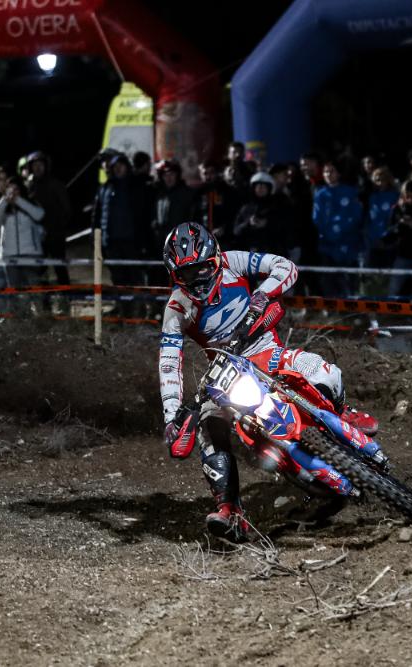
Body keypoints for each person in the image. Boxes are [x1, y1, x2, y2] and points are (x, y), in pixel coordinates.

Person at [158, 222, 382, 543]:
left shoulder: (234, 261)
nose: (196, 278)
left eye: (201, 268)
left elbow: (285, 266)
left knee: (325, 371)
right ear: (175, 275)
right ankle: (229, 510)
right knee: (208, 426)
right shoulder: (177, 307)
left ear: (216, 258)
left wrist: (263, 294)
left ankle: (341, 412)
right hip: (224, 371)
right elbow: (169, 362)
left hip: (264, 349)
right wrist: (171, 416)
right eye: (186, 273)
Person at [92, 153, 149, 293]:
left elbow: (143, 214)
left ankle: (138, 303)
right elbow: (97, 216)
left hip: (131, 241)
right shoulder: (105, 188)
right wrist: (96, 239)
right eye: (115, 166)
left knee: (135, 276)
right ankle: (122, 304)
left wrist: (144, 239)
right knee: (117, 277)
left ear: (127, 167)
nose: (118, 169)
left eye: (121, 166)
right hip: (111, 242)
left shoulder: (136, 186)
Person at [0, 179, 46, 316]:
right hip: (10, 255)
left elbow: (39, 215)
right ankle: (20, 319)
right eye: (10, 190)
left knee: (34, 288)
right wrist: (4, 200)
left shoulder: (30, 203)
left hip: (31, 254)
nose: (13, 193)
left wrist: (19, 201)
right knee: (15, 291)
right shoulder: (5, 207)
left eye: (16, 189)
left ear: (21, 190)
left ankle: (41, 317)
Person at [313, 161, 364, 296]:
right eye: (326, 172)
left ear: (339, 173)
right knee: (328, 280)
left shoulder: (350, 191)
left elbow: (356, 215)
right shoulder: (320, 194)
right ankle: (331, 305)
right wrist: (328, 235)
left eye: (332, 171)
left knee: (349, 280)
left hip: (349, 243)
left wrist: (343, 232)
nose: (329, 174)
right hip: (327, 245)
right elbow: (317, 219)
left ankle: (351, 304)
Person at [25, 151, 72, 299]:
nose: (38, 168)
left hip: (55, 235)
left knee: (60, 269)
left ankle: (66, 301)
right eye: (35, 165)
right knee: (41, 271)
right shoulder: (29, 186)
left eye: (40, 164)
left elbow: (66, 210)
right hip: (37, 239)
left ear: (46, 166)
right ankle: (45, 304)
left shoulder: (55, 184)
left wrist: (56, 227)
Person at [232, 172, 290, 255]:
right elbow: (236, 231)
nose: (261, 188)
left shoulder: (278, 207)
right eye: (258, 186)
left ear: (269, 189)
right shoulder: (246, 209)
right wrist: (249, 223)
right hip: (248, 254)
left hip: (272, 253)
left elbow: (285, 229)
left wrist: (267, 224)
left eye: (264, 186)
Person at [192, 160, 239, 246]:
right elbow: (194, 215)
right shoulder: (198, 193)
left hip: (224, 239)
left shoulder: (227, 191)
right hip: (202, 239)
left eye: (211, 173)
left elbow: (233, 214)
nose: (208, 176)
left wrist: (224, 228)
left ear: (217, 173)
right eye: (205, 173)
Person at [152, 159, 195, 241]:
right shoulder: (159, 194)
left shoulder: (186, 193)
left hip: (181, 238)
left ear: (177, 175)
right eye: (165, 175)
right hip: (161, 239)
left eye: (172, 174)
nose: (168, 178)